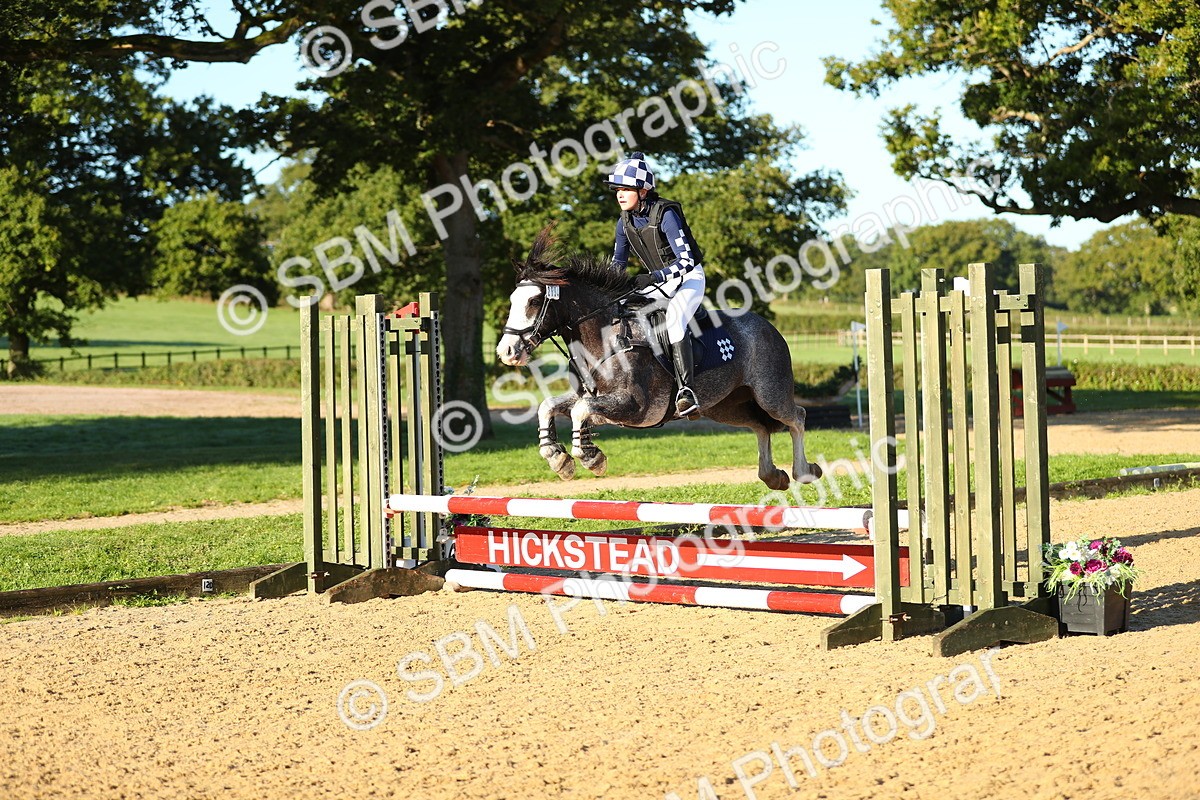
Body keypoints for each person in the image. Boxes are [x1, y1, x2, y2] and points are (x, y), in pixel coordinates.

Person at [606, 151, 706, 417]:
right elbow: (618, 264)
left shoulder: (666, 214)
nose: (620, 194)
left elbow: (687, 261)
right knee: (624, 314)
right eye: (617, 189)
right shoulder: (623, 222)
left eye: (626, 188)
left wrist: (653, 277)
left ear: (643, 190)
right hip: (659, 282)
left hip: (688, 279)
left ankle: (687, 392)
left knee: (673, 322)